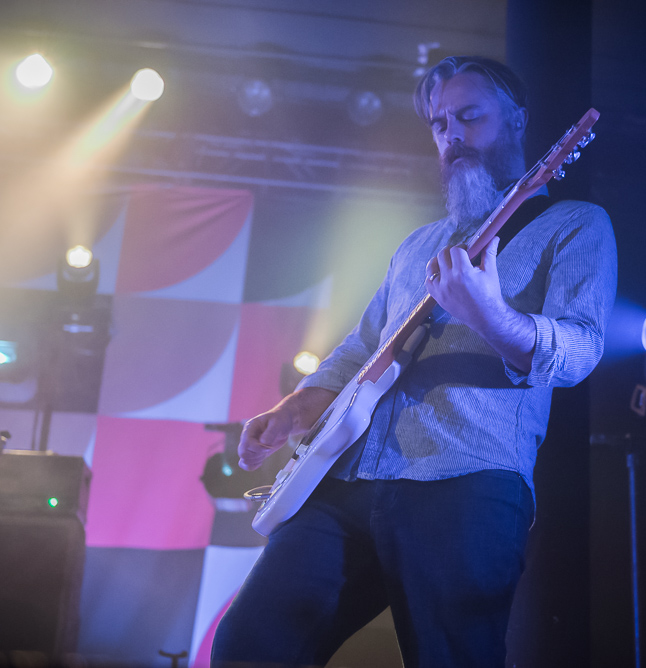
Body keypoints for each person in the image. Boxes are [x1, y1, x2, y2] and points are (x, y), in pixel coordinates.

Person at [212, 56, 617, 667]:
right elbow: (361, 348)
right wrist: (296, 408)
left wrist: (490, 315)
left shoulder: (574, 224)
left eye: (469, 116)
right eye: (438, 123)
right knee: (249, 644)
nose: (451, 135)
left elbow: (581, 349)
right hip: (349, 479)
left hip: (469, 480)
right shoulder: (416, 246)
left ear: (516, 122)